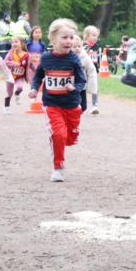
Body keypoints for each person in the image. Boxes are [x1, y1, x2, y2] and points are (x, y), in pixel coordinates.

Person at [28, 18, 87, 182]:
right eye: (64, 37)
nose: (69, 41)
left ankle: (68, 135)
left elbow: (82, 80)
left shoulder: (74, 59)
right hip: (52, 104)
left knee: (70, 136)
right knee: (58, 134)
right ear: (53, 39)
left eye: (71, 37)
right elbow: (38, 76)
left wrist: (75, 87)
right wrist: (34, 89)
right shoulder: (46, 58)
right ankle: (58, 168)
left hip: (72, 104)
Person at [3, 36, 30, 113]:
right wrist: (13, 63)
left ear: (22, 44)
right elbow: (4, 62)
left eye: (16, 42)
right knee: (9, 93)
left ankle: (17, 94)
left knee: (20, 88)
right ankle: (6, 108)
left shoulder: (27, 55)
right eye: (12, 42)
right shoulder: (11, 53)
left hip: (19, 76)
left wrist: (37, 69)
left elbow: (30, 65)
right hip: (10, 76)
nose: (13, 44)